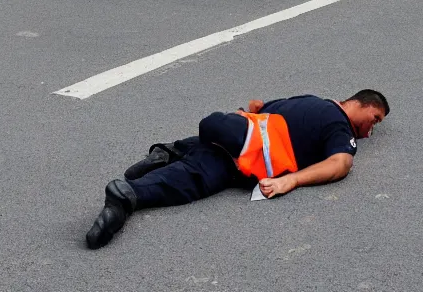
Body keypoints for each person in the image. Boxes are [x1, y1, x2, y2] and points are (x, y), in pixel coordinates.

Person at [85, 90, 390, 249]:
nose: (369, 132)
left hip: (231, 128)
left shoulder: (308, 101)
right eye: (374, 119)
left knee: (208, 148)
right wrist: (291, 181)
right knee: (195, 178)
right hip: (244, 154)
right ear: (359, 104)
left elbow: (257, 105)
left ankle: (170, 151)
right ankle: (127, 196)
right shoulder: (340, 126)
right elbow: (341, 164)